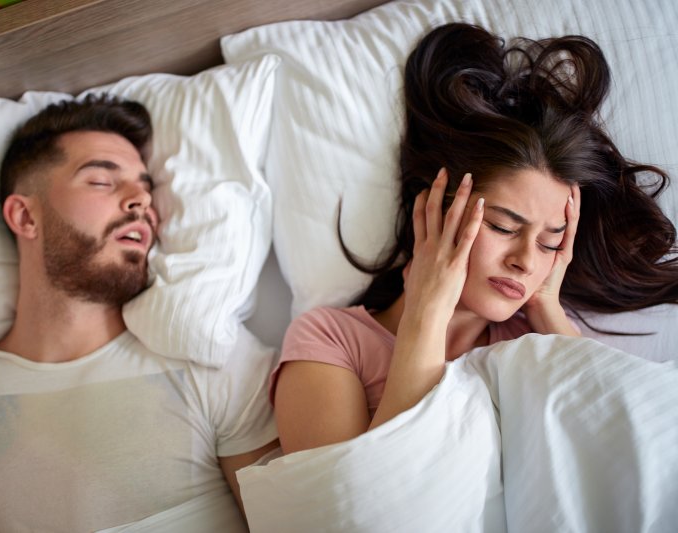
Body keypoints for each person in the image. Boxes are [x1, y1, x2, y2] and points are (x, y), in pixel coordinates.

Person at [273, 23, 678, 454]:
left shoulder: (536, 340)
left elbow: (624, 445)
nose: (525, 260)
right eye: (504, 227)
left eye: (549, 242)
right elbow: (357, 506)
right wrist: (426, 314)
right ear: (437, 210)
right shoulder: (332, 341)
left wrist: (546, 306)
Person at [0, 95, 279, 531]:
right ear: (24, 216)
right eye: (101, 182)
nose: (140, 201)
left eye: (145, 187)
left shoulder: (214, 367)